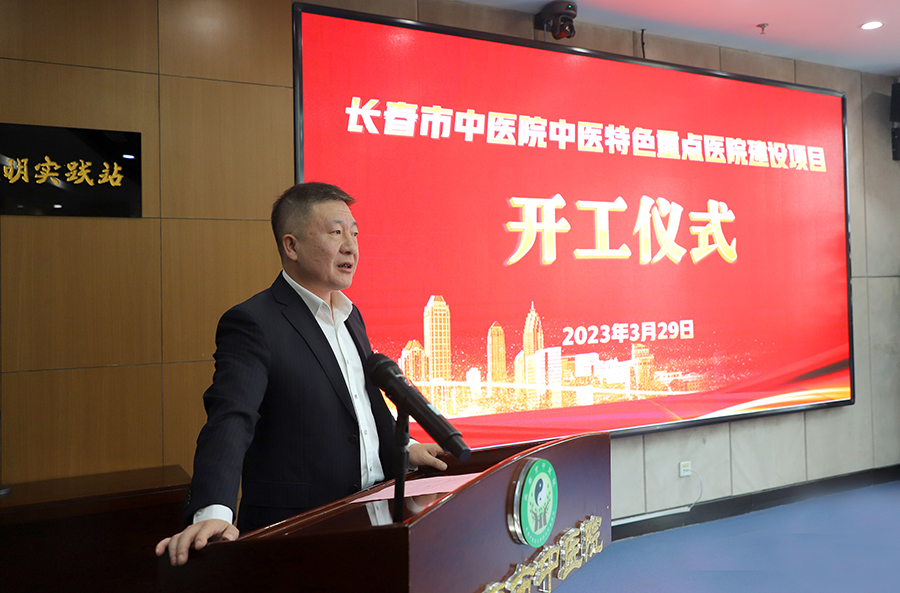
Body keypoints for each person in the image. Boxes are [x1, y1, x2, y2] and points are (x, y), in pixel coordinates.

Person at [156, 182, 447, 566]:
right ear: (291, 246)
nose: (351, 246)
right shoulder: (254, 322)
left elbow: (362, 405)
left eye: (355, 233)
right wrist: (214, 510)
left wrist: (403, 449)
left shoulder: (351, 316)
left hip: (371, 519)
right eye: (336, 232)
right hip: (296, 534)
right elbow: (231, 419)